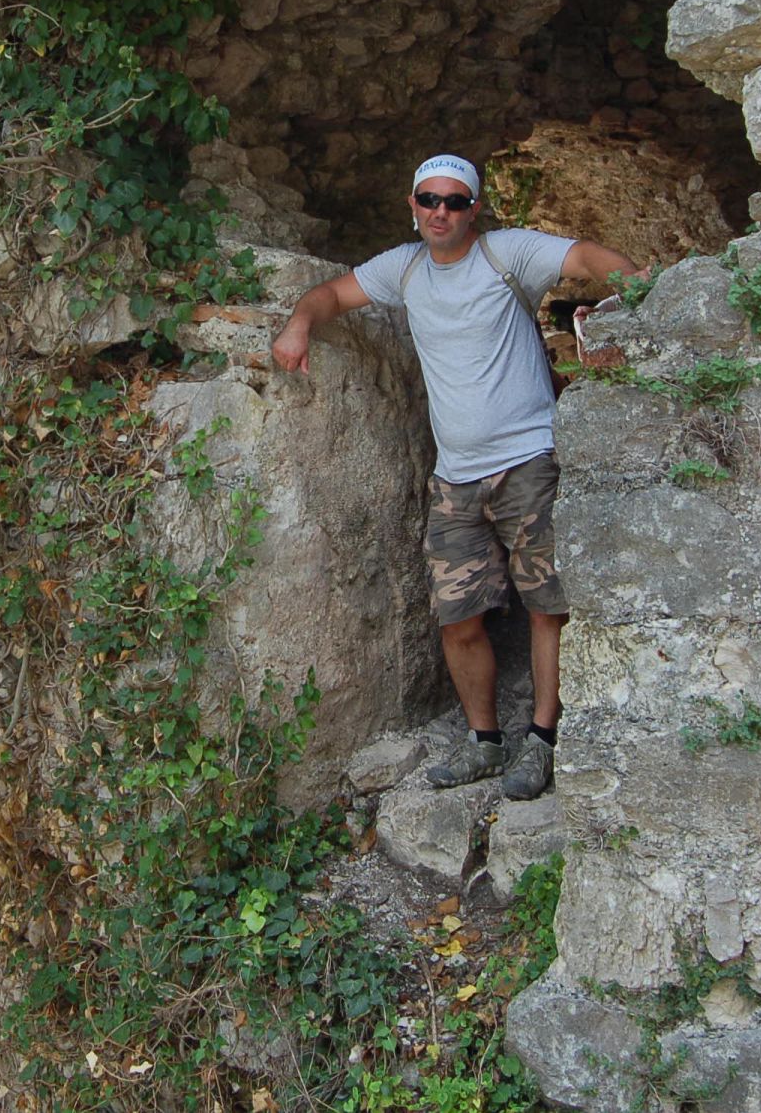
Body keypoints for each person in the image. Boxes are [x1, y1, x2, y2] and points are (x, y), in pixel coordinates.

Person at [269, 155, 639, 800]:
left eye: (456, 201)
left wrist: (638, 288)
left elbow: (584, 256)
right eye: (429, 199)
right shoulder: (404, 268)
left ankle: (542, 741)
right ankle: (485, 743)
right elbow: (332, 294)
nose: (441, 211)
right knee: (458, 616)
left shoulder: (506, 254)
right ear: (412, 205)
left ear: (475, 209)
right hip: (455, 478)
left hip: (528, 460)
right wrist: (299, 324)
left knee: (546, 607)